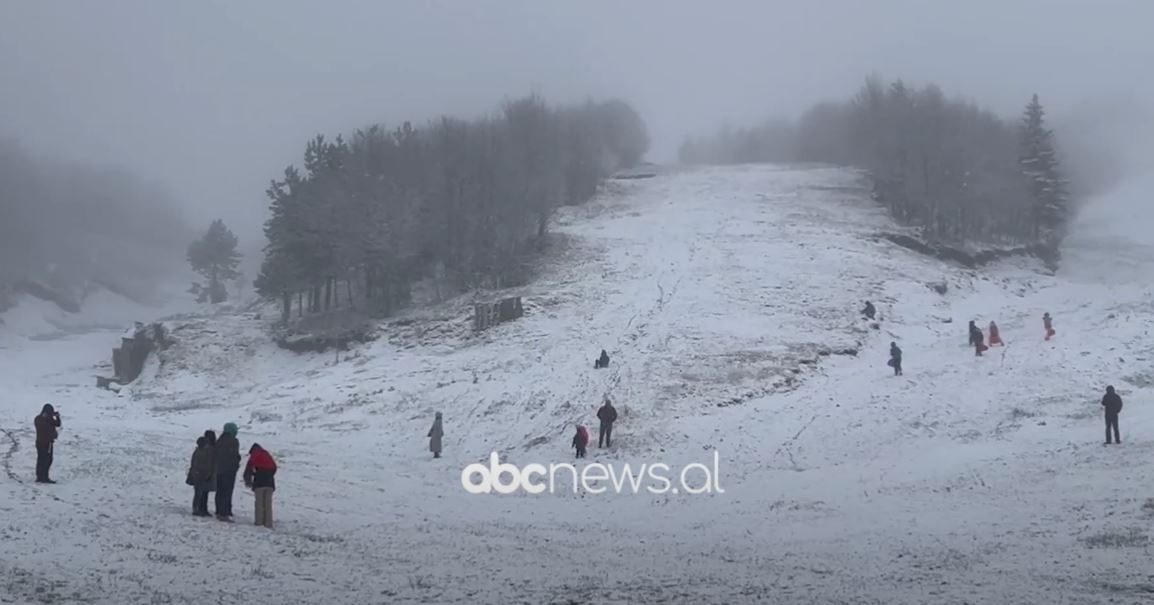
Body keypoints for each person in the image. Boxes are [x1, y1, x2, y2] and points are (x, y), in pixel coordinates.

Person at [243, 444, 277, 529]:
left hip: (260, 482)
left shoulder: (255, 454)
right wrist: (269, 475)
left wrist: (249, 480)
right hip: (270, 482)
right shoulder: (266, 453)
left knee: (259, 503)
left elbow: (249, 467)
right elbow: (274, 467)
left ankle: (259, 523)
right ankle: (268, 523)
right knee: (268, 504)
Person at [214, 422, 241, 521]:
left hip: (219, 469)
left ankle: (219, 510)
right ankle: (224, 512)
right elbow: (233, 456)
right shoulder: (233, 441)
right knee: (227, 491)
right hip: (229, 470)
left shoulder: (220, 440)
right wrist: (237, 463)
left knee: (220, 490)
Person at [187, 436, 216, 517]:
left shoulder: (198, 452)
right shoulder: (203, 453)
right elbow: (204, 465)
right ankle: (196, 508)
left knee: (199, 493)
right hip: (200, 475)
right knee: (198, 493)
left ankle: (197, 508)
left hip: (199, 475)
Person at [34, 404, 61, 484]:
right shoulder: (39, 419)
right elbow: (44, 429)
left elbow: (58, 424)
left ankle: (43, 476)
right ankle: (42, 477)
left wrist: (57, 417)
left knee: (47, 460)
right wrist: (53, 434)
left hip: (48, 443)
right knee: (43, 460)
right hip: (42, 443)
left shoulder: (48, 419)